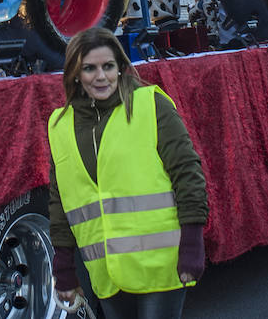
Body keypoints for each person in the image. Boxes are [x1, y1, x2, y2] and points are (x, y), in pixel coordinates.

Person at [48, 28, 207, 318]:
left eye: (108, 66)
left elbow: (187, 173)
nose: (101, 77)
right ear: (75, 73)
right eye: (89, 68)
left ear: (120, 68)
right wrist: (64, 266)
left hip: (160, 265)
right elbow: (60, 201)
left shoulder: (151, 105)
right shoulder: (59, 126)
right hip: (106, 276)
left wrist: (193, 242)